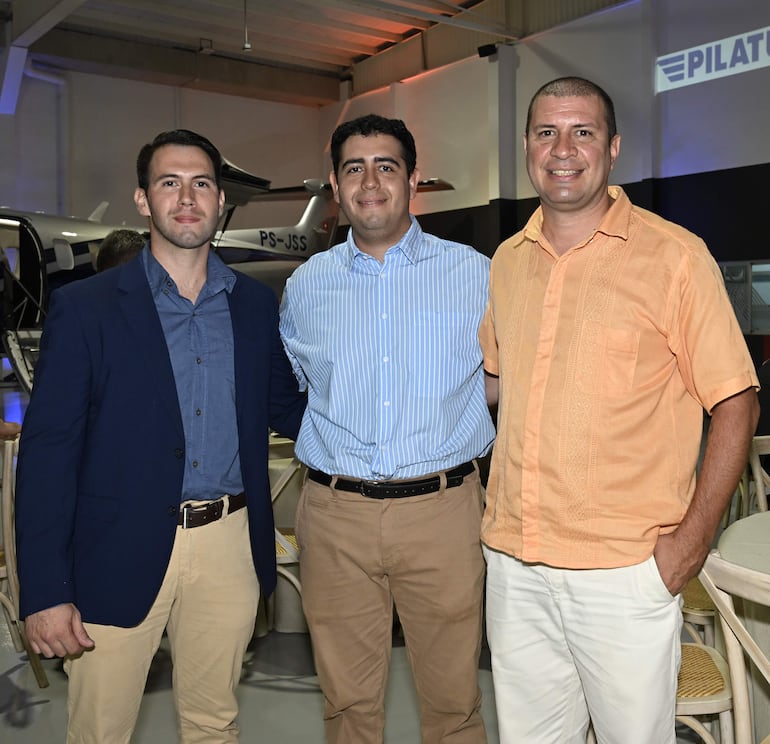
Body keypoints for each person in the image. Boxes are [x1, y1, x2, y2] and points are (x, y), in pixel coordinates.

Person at [479, 76, 759, 744]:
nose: (563, 148)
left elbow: (737, 402)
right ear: (526, 147)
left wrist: (689, 542)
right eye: (546, 132)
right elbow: (496, 385)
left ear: (612, 150)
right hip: (516, 567)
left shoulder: (674, 257)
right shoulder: (508, 262)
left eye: (583, 132)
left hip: (625, 572)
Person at [15, 129, 306, 743]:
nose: (187, 197)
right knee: (100, 729)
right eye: (169, 183)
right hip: (113, 550)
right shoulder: (88, 309)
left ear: (220, 200)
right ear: (144, 200)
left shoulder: (254, 307)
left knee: (213, 724)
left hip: (228, 542)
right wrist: (44, 591)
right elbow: (48, 456)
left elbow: (288, 409)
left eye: (201, 183)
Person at [280, 113, 495, 744]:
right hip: (334, 513)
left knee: (454, 703)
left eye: (386, 166)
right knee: (347, 706)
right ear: (334, 184)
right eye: (354, 168)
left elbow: (505, 378)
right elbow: (296, 387)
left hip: (444, 511)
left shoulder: (475, 274)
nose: (370, 182)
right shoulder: (305, 286)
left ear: (413, 179)